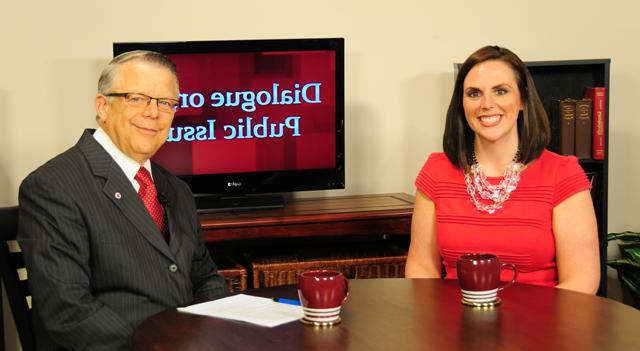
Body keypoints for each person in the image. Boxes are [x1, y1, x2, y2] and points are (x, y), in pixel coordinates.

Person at [17, 50, 227, 350]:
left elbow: (206, 278)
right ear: (102, 106)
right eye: (137, 98)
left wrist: (220, 331)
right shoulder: (52, 186)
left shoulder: (176, 189)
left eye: (165, 102)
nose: (154, 113)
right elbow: (68, 311)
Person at [405, 45, 600, 294]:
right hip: (454, 325)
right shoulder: (436, 172)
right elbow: (421, 268)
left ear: (522, 99)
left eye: (500, 91)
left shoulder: (562, 175)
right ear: (461, 104)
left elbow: (581, 283)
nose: (487, 104)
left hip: (542, 327)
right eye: (474, 94)